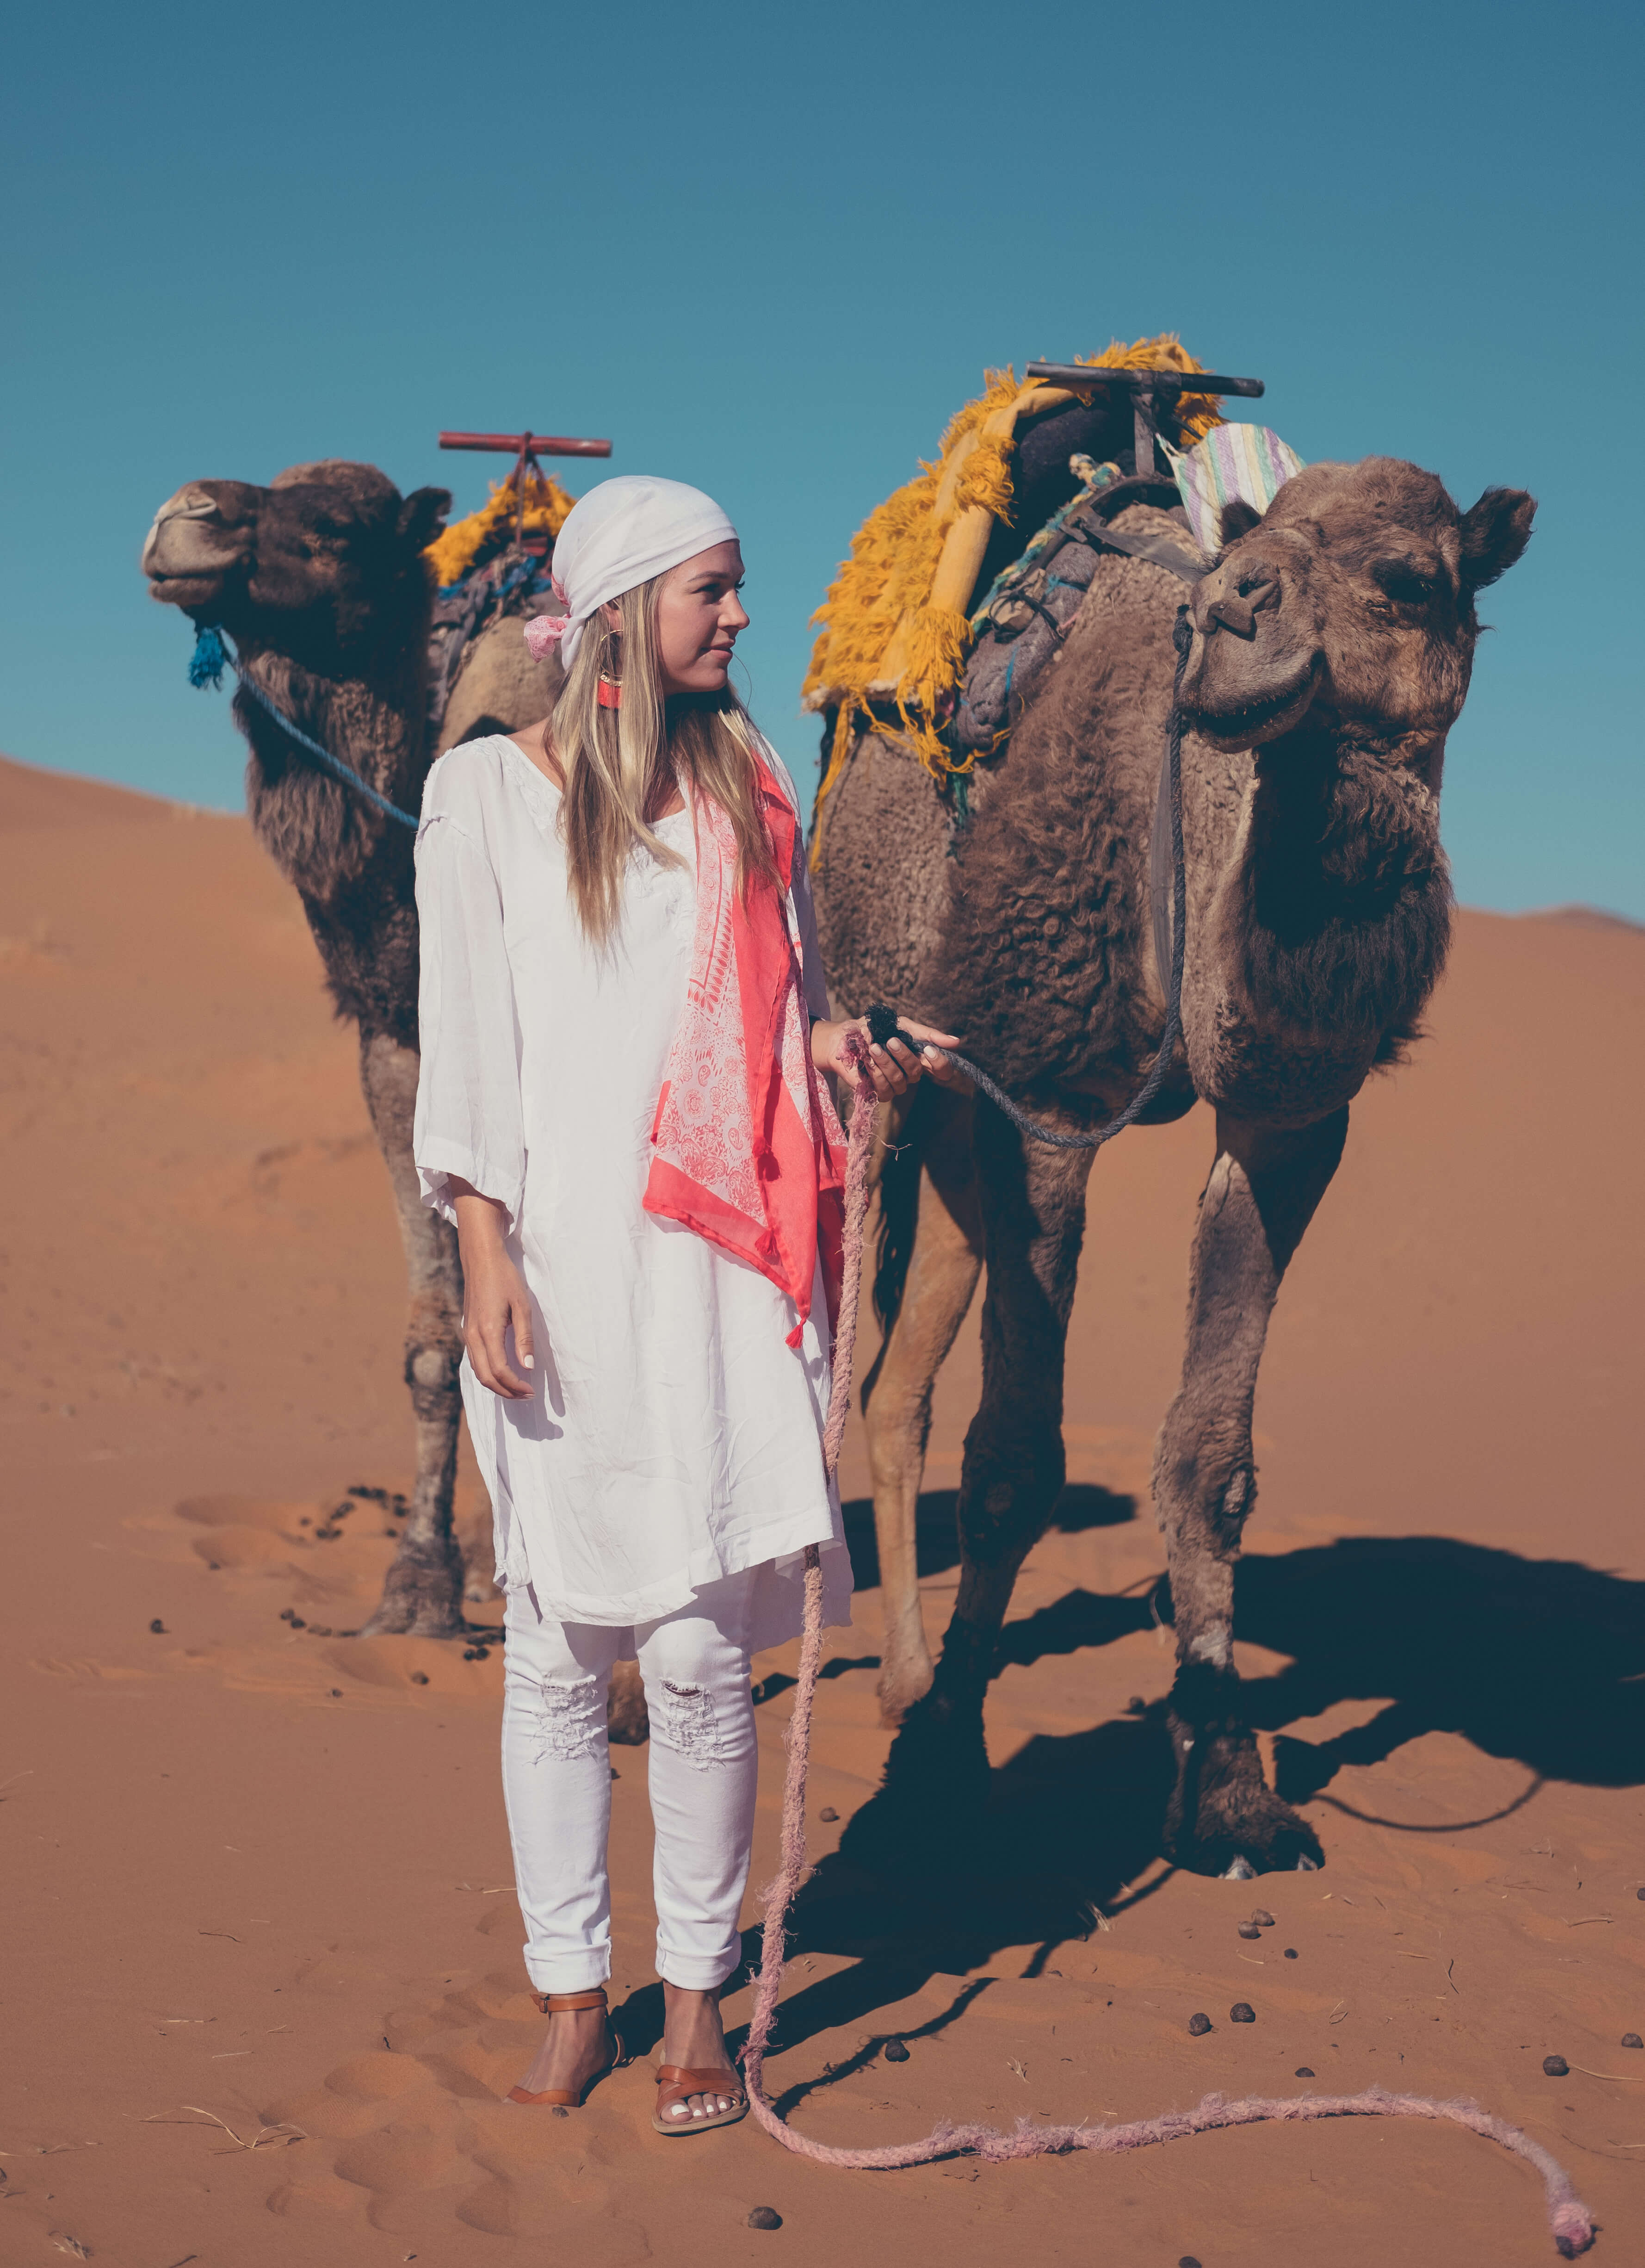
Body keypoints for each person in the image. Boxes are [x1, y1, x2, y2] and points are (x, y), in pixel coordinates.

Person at [412, 476, 957, 2136]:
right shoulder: (485, 800)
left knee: (704, 1663)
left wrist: (841, 1055)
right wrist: (484, 1252)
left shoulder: (749, 790)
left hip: (720, 1277)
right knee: (560, 1661)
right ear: (628, 606)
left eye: (737, 589)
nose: (738, 618)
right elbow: (473, 1049)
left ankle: (700, 2004)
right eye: (712, 591)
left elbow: (766, 1027)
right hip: (560, 1271)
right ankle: (573, 1997)